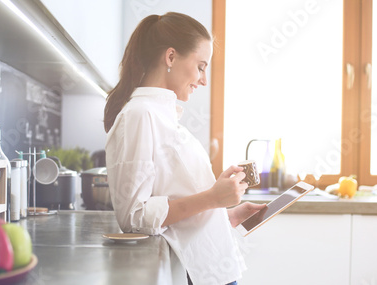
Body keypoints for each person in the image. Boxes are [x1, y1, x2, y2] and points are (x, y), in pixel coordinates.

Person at [104, 12, 266, 285]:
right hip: (198, 275)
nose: (203, 80)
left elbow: (175, 207)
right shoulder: (140, 115)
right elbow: (134, 216)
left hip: (213, 270)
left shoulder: (162, 114)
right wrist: (213, 199)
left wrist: (224, 214)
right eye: (201, 66)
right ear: (170, 57)